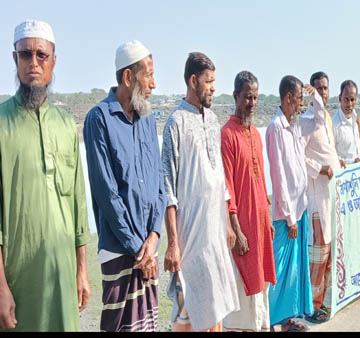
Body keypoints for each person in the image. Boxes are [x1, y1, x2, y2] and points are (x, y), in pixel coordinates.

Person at [0, 19, 91, 332]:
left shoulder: (66, 124)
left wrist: (81, 270)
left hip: (63, 275)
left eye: (42, 55)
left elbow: (78, 202)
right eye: (26, 55)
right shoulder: (1, 124)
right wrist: (1, 288)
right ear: (15, 59)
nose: (34, 63)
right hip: (17, 279)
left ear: (53, 60)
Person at [84, 40, 167, 332]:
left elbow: (159, 182)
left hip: (148, 250)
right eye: (149, 75)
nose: (154, 84)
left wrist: (155, 236)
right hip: (120, 250)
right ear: (128, 77)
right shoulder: (99, 119)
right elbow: (106, 194)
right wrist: (138, 249)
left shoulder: (147, 118)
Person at [161, 53, 239, 332]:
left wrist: (228, 222)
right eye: (209, 81)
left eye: (214, 81)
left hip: (214, 236)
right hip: (189, 237)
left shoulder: (213, 120)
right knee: (188, 309)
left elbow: (219, 177)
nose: (213, 87)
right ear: (193, 81)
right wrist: (173, 244)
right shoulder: (176, 123)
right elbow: (167, 188)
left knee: (215, 304)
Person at [220, 71, 276, 332]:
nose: (252, 103)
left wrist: (267, 216)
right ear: (235, 97)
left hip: (261, 222)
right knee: (243, 291)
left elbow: (261, 179)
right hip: (243, 228)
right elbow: (227, 188)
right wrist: (236, 229)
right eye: (247, 97)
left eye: (255, 97)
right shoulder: (227, 135)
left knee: (262, 286)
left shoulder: (256, 133)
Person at [266, 76, 316, 332]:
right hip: (287, 214)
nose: (301, 103)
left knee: (296, 269)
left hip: (300, 206)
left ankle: (288, 320)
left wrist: (315, 95)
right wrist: (289, 216)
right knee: (282, 270)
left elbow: (317, 118)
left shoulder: (295, 125)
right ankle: (273, 322)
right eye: (298, 98)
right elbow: (278, 177)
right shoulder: (276, 128)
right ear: (287, 97)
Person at [299, 71, 341, 324]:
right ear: (310, 91)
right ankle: (313, 307)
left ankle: (326, 301)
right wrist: (319, 169)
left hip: (332, 194)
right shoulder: (306, 120)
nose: (323, 92)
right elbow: (299, 156)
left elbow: (329, 150)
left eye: (325, 88)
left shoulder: (325, 118)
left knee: (331, 251)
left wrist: (337, 162)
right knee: (318, 253)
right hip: (316, 197)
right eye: (318, 89)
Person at [332, 80, 360, 165]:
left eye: (352, 100)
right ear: (340, 98)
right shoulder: (334, 124)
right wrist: (352, 162)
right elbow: (331, 156)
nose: (349, 104)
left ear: (356, 100)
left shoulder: (355, 120)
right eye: (346, 99)